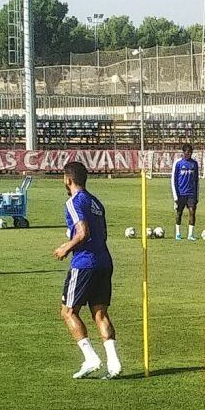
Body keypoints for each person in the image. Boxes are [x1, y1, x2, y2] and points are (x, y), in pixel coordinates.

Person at [53, 161, 122, 379]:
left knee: (68, 311)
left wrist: (67, 246)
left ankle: (91, 358)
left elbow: (82, 232)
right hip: (104, 261)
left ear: (68, 179)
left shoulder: (74, 202)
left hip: (85, 263)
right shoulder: (96, 202)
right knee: (100, 313)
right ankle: (114, 364)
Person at [171, 143, 200, 241]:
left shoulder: (194, 164)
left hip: (191, 193)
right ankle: (178, 233)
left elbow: (197, 180)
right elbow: (173, 180)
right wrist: (175, 196)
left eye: (190, 153)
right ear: (183, 152)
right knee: (179, 213)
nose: (188, 154)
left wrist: (197, 195)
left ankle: (190, 234)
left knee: (192, 212)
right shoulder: (178, 163)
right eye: (187, 152)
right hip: (180, 193)